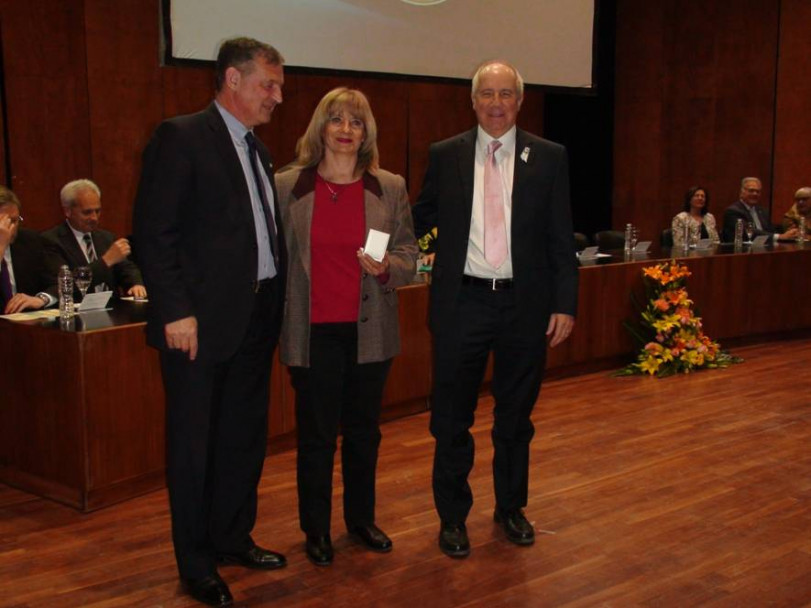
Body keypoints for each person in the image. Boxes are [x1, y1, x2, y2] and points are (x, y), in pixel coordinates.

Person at [132, 37, 287, 608]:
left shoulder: (260, 150)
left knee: (242, 440)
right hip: (197, 327)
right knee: (195, 448)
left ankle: (231, 537)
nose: (277, 96)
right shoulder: (182, 137)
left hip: (255, 319)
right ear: (232, 80)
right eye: (268, 84)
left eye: (279, 86)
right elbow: (155, 231)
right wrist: (176, 309)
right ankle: (195, 563)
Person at [412, 60, 579, 558]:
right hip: (461, 303)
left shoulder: (548, 157)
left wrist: (564, 303)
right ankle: (452, 519)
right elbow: (422, 214)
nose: (497, 103)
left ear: (520, 101)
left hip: (524, 307)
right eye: (487, 93)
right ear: (473, 100)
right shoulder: (446, 155)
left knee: (515, 418)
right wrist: (423, 246)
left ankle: (511, 509)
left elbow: (559, 234)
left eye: (506, 94)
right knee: (451, 419)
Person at [275, 87, 417, 566]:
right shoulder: (288, 185)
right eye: (335, 120)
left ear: (366, 132)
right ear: (321, 127)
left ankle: (361, 520)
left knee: (364, 433)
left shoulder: (389, 186)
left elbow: (409, 255)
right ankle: (316, 529)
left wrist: (385, 270)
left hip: (370, 330)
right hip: (312, 331)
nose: (345, 130)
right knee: (316, 437)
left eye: (355, 122)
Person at [42, 179, 146, 298]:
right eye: (87, 212)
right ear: (68, 211)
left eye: (98, 211)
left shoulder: (106, 237)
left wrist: (136, 283)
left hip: (112, 309)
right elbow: (63, 285)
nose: (94, 218)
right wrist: (106, 261)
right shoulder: (51, 241)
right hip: (77, 309)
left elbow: (126, 268)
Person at [0, 186, 56, 314]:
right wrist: (1, 247)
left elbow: (57, 281)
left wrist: (41, 299)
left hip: (26, 325)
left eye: (15, 220)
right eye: (4, 222)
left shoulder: (30, 241)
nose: (12, 228)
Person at [721, 177, 798, 243]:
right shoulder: (733, 211)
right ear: (742, 192)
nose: (755, 194)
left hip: (764, 249)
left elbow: (770, 229)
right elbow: (749, 232)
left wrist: (787, 230)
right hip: (741, 252)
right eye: (751, 191)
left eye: (758, 191)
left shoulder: (762, 211)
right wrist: (779, 236)